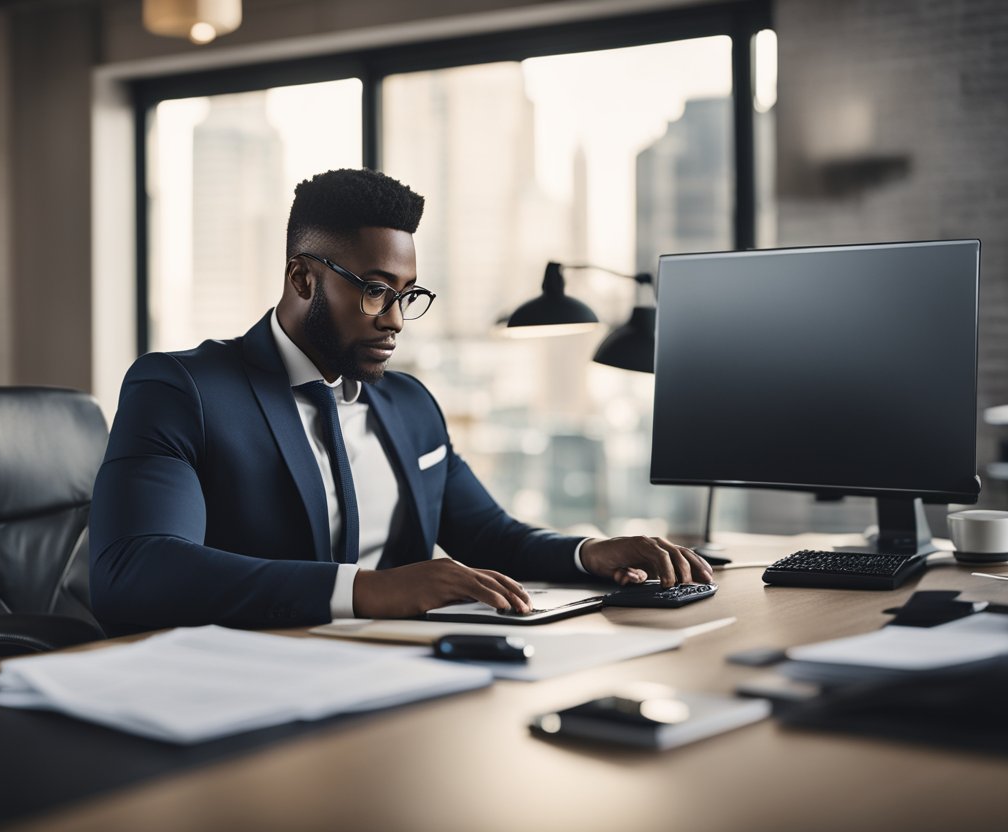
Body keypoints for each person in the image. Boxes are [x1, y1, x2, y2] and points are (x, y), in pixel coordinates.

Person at [89, 168, 711, 633]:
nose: (395, 321)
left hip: (405, 671)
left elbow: (491, 535)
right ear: (303, 278)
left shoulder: (409, 403)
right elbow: (135, 571)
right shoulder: (182, 390)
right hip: (249, 678)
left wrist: (587, 552)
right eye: (376, 291)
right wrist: (368, 591)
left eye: (407, 295)